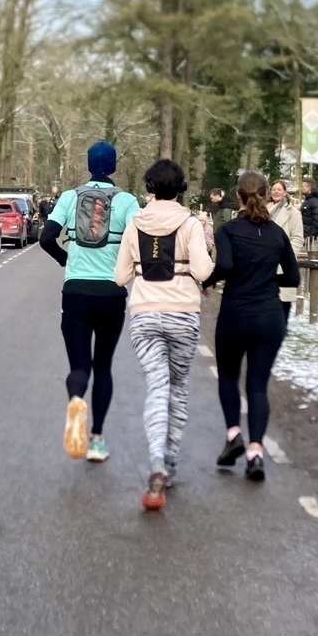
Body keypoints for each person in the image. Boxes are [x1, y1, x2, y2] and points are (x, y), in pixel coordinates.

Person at [113, 158, 213, 511]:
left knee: (156, 386)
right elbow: (203, 270)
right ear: (180, 188)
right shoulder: (190, 223)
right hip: (183, 314)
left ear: (149, 188)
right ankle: (169, 463)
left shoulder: (134, 223)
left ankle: (155, 461)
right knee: (179, 387)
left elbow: (120, 276)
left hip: (144, 314)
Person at [41, 141, 136, 462]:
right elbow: (139, 241)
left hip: (76, 292)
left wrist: (65, 261)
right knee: (104, 366)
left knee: (79, 366)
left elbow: (45, 237)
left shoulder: (70, 197)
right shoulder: (126, 201)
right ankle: (96, 439)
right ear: (113, 166)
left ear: (88, 164)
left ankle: (75, 399)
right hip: (111, 294)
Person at [208, 170, 300, 483]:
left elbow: (226, 266)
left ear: (239, 197)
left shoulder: (229, 231)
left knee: (229, 376)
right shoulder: (277, 234)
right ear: (264, 194)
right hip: (270, 316)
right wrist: (266, 279)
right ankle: (256, 453)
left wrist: (206, 281)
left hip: (236, 314)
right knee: (258, 385)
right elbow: (293, 277)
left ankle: (234, 434)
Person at [267, 179, 305, 321]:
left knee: (283, 303)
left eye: (279, 189)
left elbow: (297, 237)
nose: (276, 191)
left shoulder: (293, 213)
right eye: (274, 189)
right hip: (264, 263)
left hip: (283, 265)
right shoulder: (264, 210)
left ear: (285, 193)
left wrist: (288, 256)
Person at [300, 177, 318, 249]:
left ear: (309, 187)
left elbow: (317, 221)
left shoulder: (315, 202)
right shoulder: (307, 201)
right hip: (305, 235)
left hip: (310, 237)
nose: (301, 188)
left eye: (303, 186)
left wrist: (311, 236)